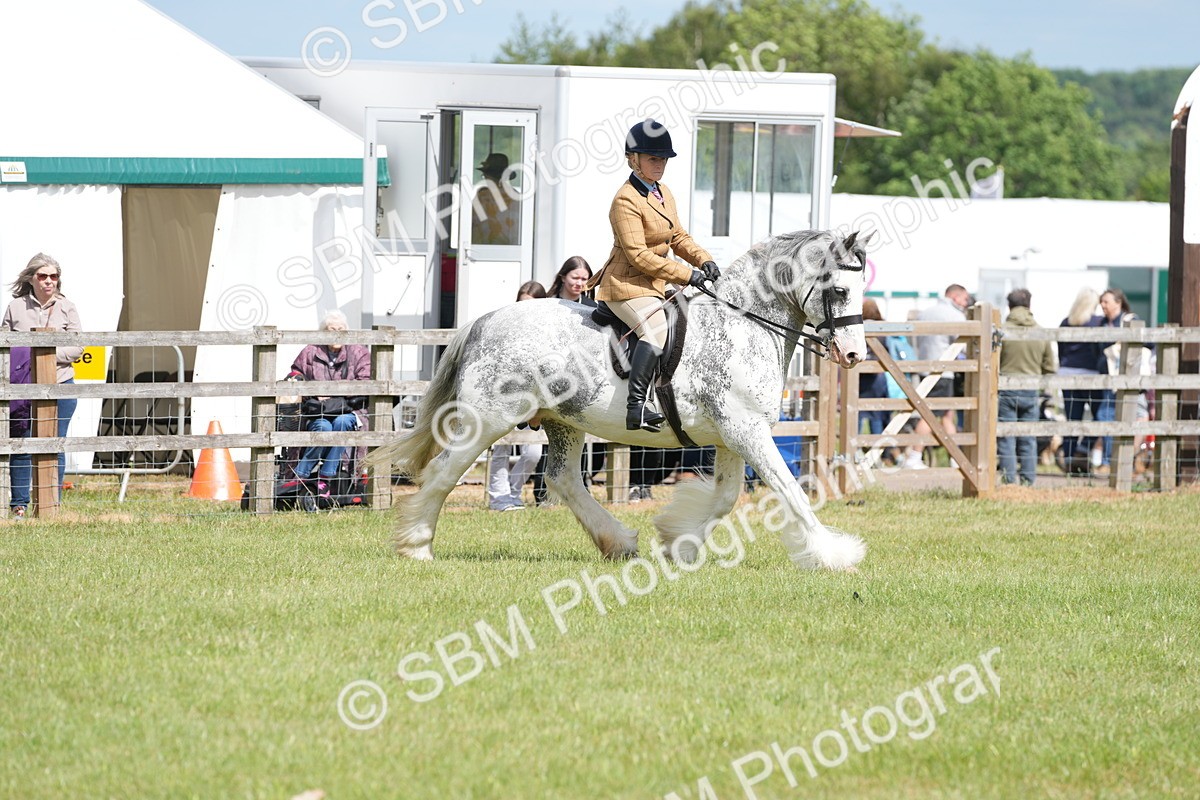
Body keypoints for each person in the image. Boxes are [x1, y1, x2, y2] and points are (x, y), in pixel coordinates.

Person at [586, 118, 720, 432]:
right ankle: (637, 407)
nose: (659, 165)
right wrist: (686, 275)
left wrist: (705, 260)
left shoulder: (663, 192)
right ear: (634, 159)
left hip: (655, 282)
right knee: (655, 329)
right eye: (652, 159)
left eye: (662, 159)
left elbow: (678, 237)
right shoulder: (625, 200)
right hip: (626, 284)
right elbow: (638, 256)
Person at [4, 253, 83, 517]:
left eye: (54, 276)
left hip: (61, 383)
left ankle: (52, 504)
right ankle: (19, 505)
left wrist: (44, 357)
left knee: (54, 445)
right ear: (31, 278)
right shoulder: (16, 307)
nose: (49, 281)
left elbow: (77, 346)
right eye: (43, 276)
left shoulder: (67, 307)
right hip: (24, 387)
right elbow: (5, 345)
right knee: (22, 445)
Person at [290, 310, 371, 498]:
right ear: (323, 332)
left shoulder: (359, 352)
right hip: (319, 412)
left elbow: (365, 381)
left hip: (351, 409)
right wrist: (312, 391)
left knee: (342, 423)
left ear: (346, 331)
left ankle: (322, 476)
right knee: (324, 427)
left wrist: (332, 394)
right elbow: (295, 375)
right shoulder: (310, 351)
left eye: (340, 329)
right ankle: (305, 476)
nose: (336, 333)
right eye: (331, 329)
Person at [489, 282, 547, 511]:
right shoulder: (507, 329)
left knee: (533, 452)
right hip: (506, 397)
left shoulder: (546, 332)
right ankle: (498, 498)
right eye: (522, 304)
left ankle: (513, 492)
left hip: (534, 400)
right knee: (501, 448)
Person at [904, 284, 970, 469]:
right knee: (930, 416)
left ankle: (955, 458)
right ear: (955, 297)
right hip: (943, 371)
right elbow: (965, 345)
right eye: (965, 299)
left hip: (925, 368)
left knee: (946, 415)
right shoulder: (955, 315)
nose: (966, 304)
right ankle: (915, 456)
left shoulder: (925, 313)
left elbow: (912, 339)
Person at [997, 289, 1056, 486]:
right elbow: (1049, 366)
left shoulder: (1002, 331)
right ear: (1030, 305)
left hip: (1006, 388)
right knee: (1028, 437)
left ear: (1009, 306)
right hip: (1031, 389)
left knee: (1007, 437)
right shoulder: (1040, 331)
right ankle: (1028, 481)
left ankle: (1008, 479)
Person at [1098, 287, 1150, 472]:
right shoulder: (1102, 323)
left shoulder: (1130, 320)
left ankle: (1127, 459)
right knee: (1107, 417)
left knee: (1137, 417)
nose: (1102, 305)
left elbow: (1148, 343)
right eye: (1101, 301)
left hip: (1132, 379)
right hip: (1109, 380)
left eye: (1106, 301)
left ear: (1118, 303)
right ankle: (1110, 461)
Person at [1057, 287, 1106, 474]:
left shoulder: (1065, 322)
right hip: (1090, 373)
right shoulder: (1097, 322)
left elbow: (1061, 349)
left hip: (1067, 371)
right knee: (1100, 415)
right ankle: (1084, 447)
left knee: (1072, 417)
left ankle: (1069, 459)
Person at [471, 152, 520, 246]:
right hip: (513, 250)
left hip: (482, 249)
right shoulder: (516, 196)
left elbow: (471, 222)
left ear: (487, 175)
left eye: (484, 175)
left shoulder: (483, 196)